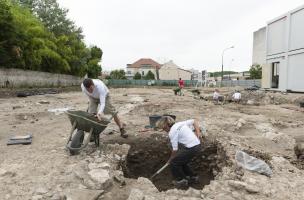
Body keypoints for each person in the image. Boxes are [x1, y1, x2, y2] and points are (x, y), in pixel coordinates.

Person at [157, 116, 201, 189]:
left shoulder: (172, 133)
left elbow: (175, 150)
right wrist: (197, 132)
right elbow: (194, 121)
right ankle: (192, 177)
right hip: (196, 145)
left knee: (174, 163)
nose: (164, 130)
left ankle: (180, 181)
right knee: (182, 161)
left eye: (164, 128)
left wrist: (170, 160)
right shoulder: (179, 124)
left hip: (191, 148)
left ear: (167, 125)